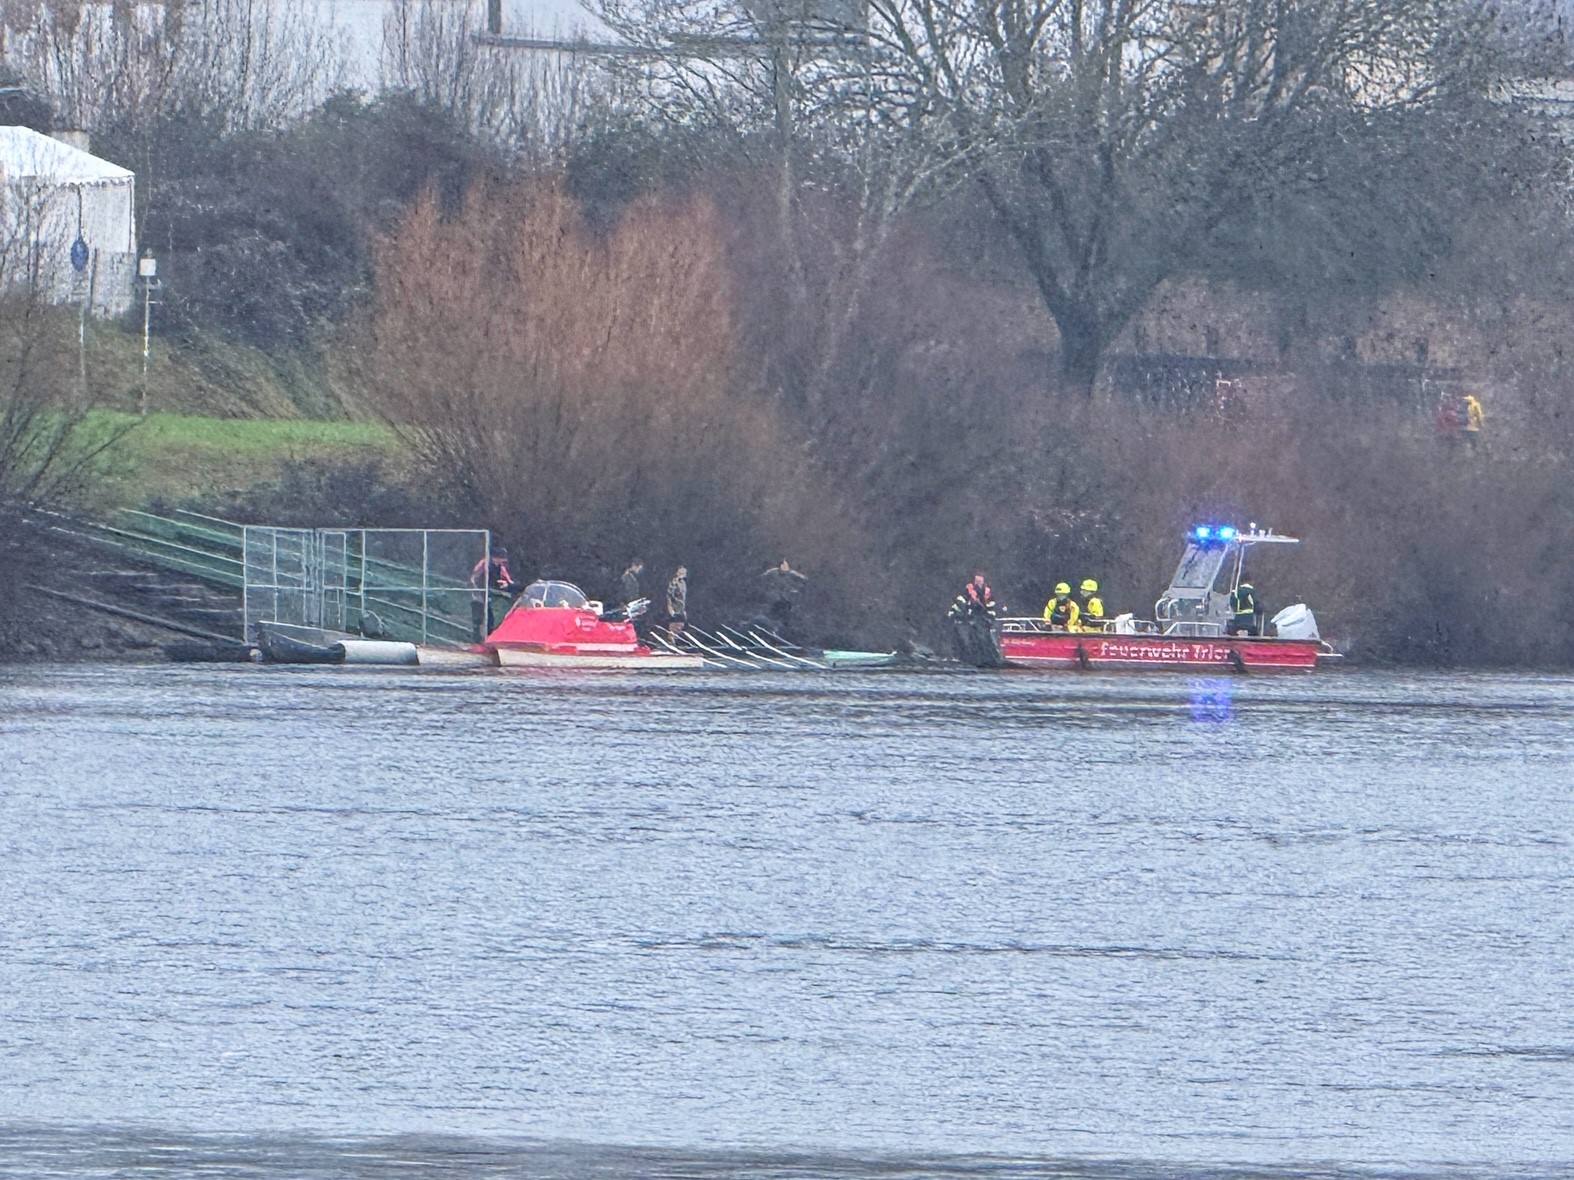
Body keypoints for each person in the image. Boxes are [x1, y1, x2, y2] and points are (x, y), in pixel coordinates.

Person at [470, 546, 520, 639]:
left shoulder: (500, 567)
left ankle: (488, 634)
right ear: (494, 557)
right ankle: (477, 633)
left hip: (489, 591)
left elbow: (507, 578)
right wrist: (477, 588)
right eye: (501, 558)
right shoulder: (484, 563)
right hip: (480, 591)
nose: (503, 561)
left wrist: (509, 584)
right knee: (478, 612)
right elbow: (474, 577)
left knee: (489, 616)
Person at [760, 559, 809, 626]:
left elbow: (802, 578)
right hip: (776, 593)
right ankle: (773, 617)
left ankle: (785, 621)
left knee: (786, 606)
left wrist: (803, 581)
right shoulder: (773, 572)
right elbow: (764, 576)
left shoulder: (790, 573)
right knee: (777, 604)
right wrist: (766, 583)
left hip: (786, 593)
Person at [666, 565, 688, 639]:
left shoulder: (683, 583)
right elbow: (669, 595)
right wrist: (670, 608)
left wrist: (684, 609)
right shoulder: (673, 582)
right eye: (681, 572)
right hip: (674, 607)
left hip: (681, 607)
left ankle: (674, 640)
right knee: (674, 626)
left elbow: (683, 597)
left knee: (680, 626)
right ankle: (670, 641)